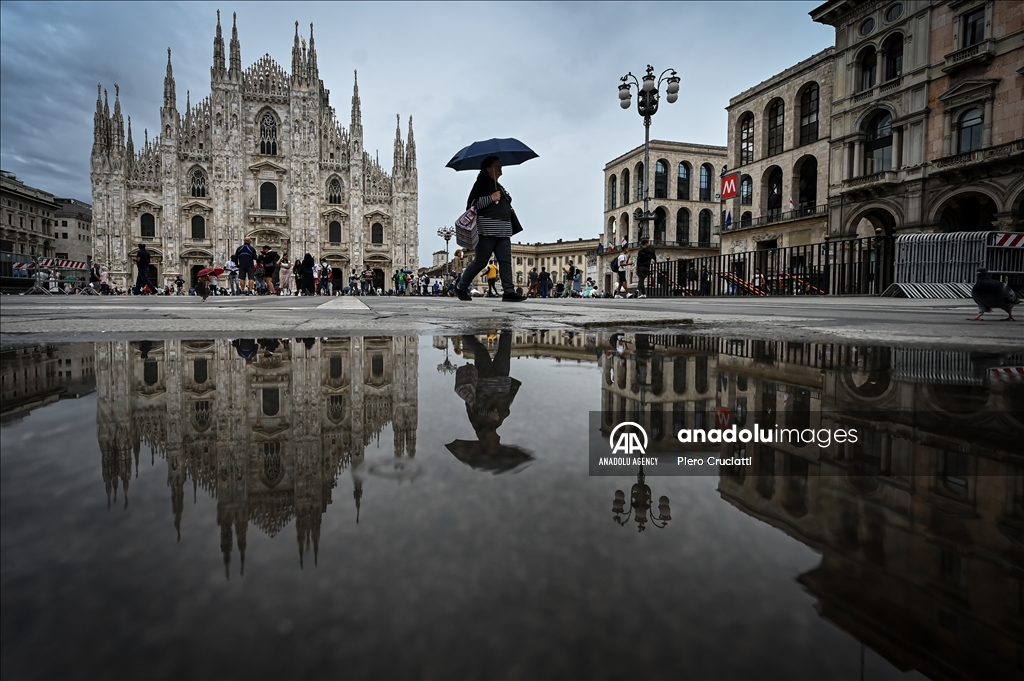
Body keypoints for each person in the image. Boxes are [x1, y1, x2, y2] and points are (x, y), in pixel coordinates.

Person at [453, 156, 526, 302]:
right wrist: (490, 198)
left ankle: (509, 292)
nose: (501, 169)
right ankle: (461, 287)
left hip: (504, 230)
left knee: (505, 261)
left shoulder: (498, 185)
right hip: (487, 230)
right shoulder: (480, 184)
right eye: (498, 166)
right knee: (481, 261)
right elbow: (472, 206)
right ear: (489, 168)